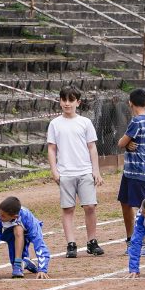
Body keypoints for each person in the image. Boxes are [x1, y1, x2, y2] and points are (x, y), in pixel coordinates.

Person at [47, 85, 105, 258]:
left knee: (89, 206)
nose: (67, 103)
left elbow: (92, 147)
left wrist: (96, 170)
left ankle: (91, 241)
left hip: (84, 171)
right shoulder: (55, 124)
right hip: (65, 172)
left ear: (78, 102)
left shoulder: (85, 123)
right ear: (59, 101)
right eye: (64, 100)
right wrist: (54, 171)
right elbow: (51, 148)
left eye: (71, 100)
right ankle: (71, 243)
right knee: (68, 209)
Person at [0, 196, 51, 279]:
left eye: (3, 216)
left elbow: (39, 244)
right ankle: (24, 263)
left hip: (27, 234)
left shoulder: (29, 221)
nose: (0, 217)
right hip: (11, 236)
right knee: (14, 263)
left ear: (15, 217)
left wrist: (42, 269)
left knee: (18, 229)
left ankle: (19, 263)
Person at [117, 88, 145, 246]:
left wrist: (126, 143)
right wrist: (128, 144)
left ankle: (144, 241)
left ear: (130, 103)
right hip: (131, 171)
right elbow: (128, 143)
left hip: (138, 171)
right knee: (125, 202)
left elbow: (120, 143)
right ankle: (132, 238)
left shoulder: (137, 121)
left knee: (143, 207)